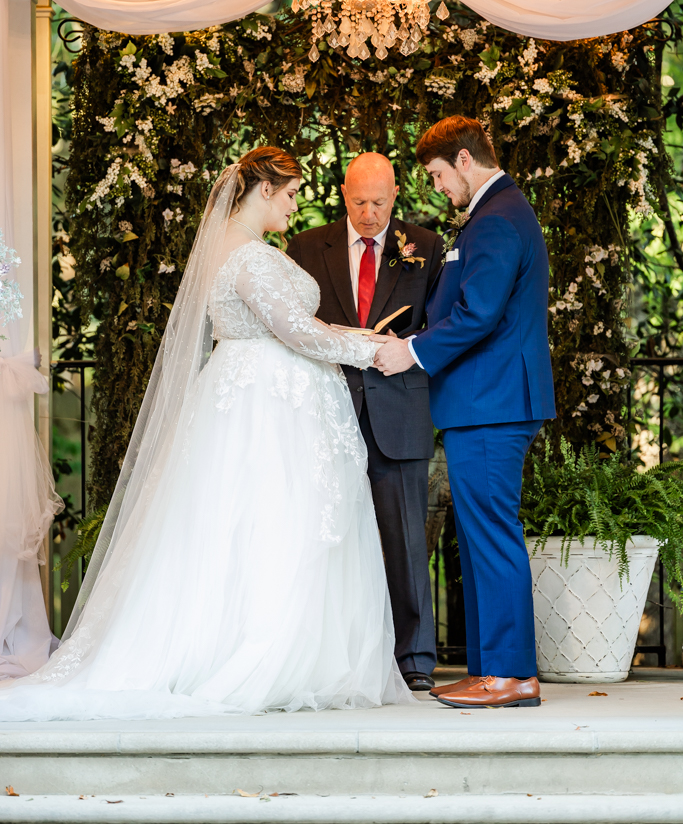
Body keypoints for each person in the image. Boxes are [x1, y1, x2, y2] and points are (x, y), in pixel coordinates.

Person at [0, 148, 411, 720]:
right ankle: (263, 651)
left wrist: (355, 331)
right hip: (268, 405)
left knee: (238, 521)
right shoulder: (250, 258)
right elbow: (294, 333)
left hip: (248, 392)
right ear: (263, 190)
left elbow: (297, 326)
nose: (296, 206)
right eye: (291, 194)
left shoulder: (231, 248)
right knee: (273, 520)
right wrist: (374, 350)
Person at [372, 117, 555, 710]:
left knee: (491, 536)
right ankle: (489, 669)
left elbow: (478, 315)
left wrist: (412, 352)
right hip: (485, 402)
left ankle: (510, 674)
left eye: (436, 174)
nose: (437, 187)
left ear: (465, 159)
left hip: (492, 404)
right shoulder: (494, 213)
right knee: (477, 540)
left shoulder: (498, 219)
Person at [287, 153, 442, 691]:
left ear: (395, 194)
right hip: (330, 411)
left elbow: (438, 327)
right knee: (327, 538)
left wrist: (411, 347)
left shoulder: (425, 245)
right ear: (343, 193)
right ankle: (331, 657)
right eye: (359, 202)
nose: (370, 213)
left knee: (405, 539)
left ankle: (416, 659)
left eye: (379, 202)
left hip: (398, 408)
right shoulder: (306, 246)